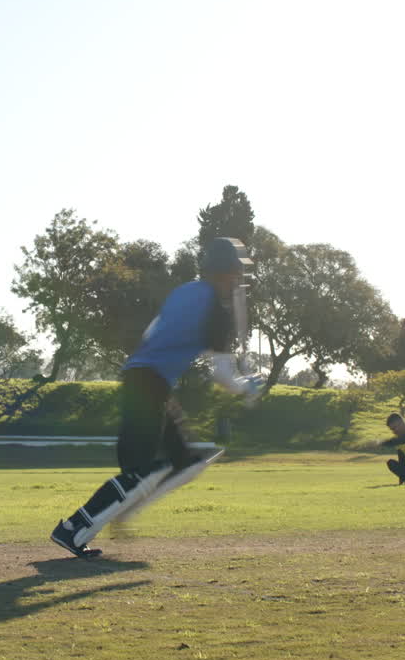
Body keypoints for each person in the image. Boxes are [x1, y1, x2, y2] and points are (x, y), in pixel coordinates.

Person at [50, 237, 265, 558]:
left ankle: (124, 512)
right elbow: (222, 377)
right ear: (227, 271)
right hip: (150, 384)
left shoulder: (183, 292)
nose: (237, 280)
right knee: (143, 472)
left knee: (187, 463)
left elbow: (152, 333)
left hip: (145, 379)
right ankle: (72, 529)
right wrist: (246, 386)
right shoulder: (218, 313)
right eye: (236, 273)